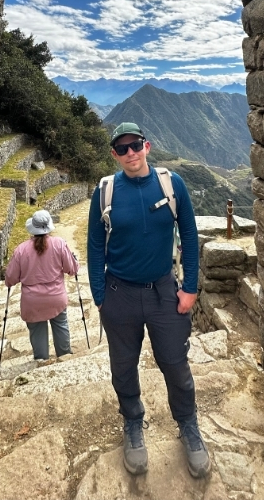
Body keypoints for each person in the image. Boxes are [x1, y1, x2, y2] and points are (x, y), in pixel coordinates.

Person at [87, 122, 208, 479]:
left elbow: (188, 232)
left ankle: (188, 425)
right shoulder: (105, 192)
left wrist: (190, 287)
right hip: (118, 294)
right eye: (122, 149)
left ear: (147, 146)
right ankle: (133, 423)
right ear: (114, 154)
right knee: (123, 367)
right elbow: (95, 244)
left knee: (175, 364)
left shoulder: (172, 184)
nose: (130, 154)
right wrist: (98, 295)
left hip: (163, 292)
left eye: (135, 146)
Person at [5, 209, 79, 361]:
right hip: (56, 298)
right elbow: (72, 269)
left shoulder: (21, 250)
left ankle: (41, 361)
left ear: (32, 229)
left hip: (32, 302)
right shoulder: (59, 244)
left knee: (37, 332)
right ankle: (64, 358)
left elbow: (10, 279)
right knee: (61, 325)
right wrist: (74, 260)